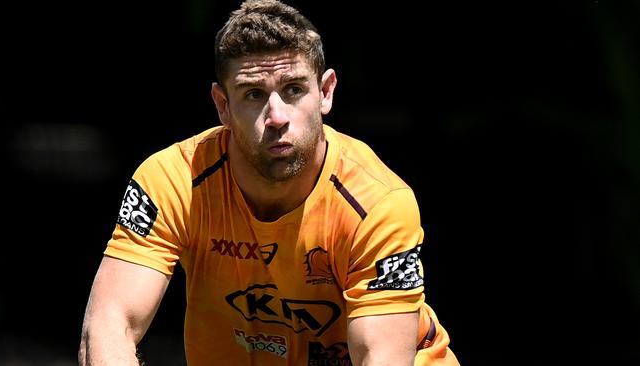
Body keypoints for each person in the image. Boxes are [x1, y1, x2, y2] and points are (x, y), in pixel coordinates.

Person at [78, 0, 460, 364]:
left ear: (325, 92)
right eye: (254, 94)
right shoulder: (171, 180)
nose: (276, 116)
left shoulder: (378, 204)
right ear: (222, 105)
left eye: (294, 89)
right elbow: (109, 325)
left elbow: (382, 358)